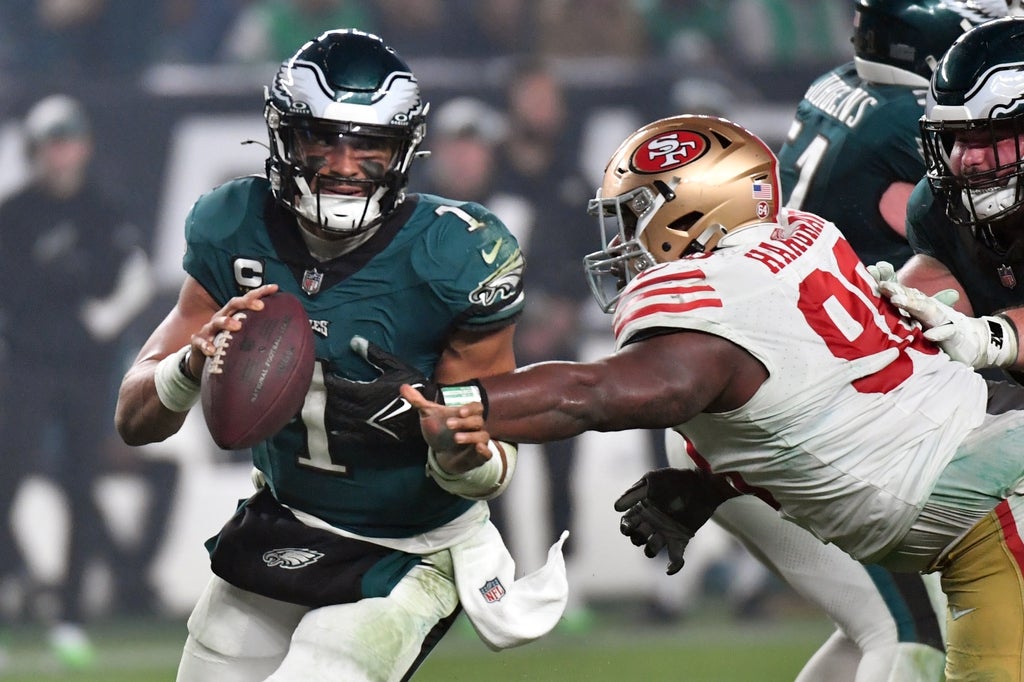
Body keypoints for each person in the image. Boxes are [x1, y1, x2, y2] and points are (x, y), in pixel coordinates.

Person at [376, 114, 1024, 682]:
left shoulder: (717, 306)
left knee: (915, 639)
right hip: (981, 492)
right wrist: (714, 483)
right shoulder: (797, 238)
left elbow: (590, 393)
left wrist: (447, 401)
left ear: (691, 212)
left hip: (996, 500)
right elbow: (821, 401)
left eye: (632, 217)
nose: (618, 244)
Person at [113, 29, 568, 682]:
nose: (344, 165)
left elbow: (492, 464)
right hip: (285, 520)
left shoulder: (454, 255)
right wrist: (189, 369)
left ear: (403, 150)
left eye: (369, 145)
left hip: (412, 545)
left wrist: (456, 449)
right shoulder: (234, 226)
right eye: (321, 139)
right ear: (284, 136)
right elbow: (133, 419)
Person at [0, 93, 155, 669]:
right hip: (26, 367)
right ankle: (13, 596)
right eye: (49, 144)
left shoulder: (104, 209)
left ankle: (70, 618)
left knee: (81, 485)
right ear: (34, 151)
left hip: (86, 371)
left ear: (84, 147)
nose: (59, 155)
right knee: (7, 481)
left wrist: (104, 321)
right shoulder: (14, 214)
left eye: (67, 142)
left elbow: (138, 276)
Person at [881, 16, 1024, 389]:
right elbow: (942, 286)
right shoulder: (937, 203)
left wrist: (991, 338)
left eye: (989, 137)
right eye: (958, 139)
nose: (968, 158)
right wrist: (887, 309)